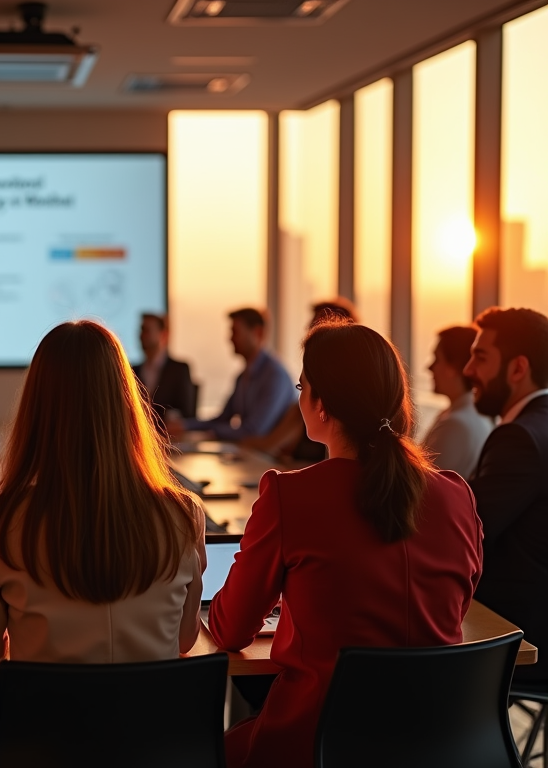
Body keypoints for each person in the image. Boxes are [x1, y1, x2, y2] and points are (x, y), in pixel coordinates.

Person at [209, 319, 481, 768]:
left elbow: (230, 629)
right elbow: (454, 604)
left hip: (315, 744)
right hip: (436, 744)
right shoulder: (455, 494)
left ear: (321, 405)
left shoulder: (288, 495)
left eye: (302, 386)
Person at [0, 320, 206, 768]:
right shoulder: (183, 516)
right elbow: (186, 638)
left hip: (44, 751)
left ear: (37, 409)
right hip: (155, 750)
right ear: (127, 404)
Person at [463, 306, 548, 684]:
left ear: (518, 368)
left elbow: (466, 532)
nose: (469, 371)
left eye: (480, 357)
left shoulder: (520, 438)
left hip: (523, 633)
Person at [241, 299, 358, 462]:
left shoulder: (351, 414)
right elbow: (270, 445)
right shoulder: (305, 407)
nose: (308, 337)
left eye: (316, 331)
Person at [180, 308, 296, 441]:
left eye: (235, 332)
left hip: (270, 458)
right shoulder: (242, 377)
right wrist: (184, 425)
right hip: (251, 453)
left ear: (258, 333)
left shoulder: (275, 375)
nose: (230, 339)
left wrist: (212, 433)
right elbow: (223, 418)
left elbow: (254, 431)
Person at [422, 325, 492, 478]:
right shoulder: (478, 414)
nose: (429, 367)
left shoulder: (455, 425)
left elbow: (423, 487)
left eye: (437, 359)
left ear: (454, 367)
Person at [132, 312, 196, 419]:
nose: (141, 335)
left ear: (163, 334)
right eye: (141, 330)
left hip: (169, 434)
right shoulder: (133, 371)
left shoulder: (179, 370)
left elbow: (186, 412)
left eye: (147, 330)